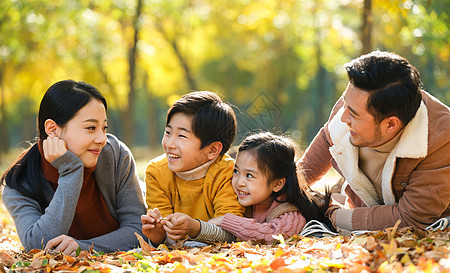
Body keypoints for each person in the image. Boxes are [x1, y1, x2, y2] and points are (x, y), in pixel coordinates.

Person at [298, 50, 450, 232]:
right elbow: (320, 148)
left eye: (353, 114)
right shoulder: (355, 99)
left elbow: (410, 217)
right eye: (345, 103)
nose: (343, 117)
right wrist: (283, 192)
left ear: (391, 124)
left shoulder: (441, 140)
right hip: (361, 217)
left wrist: (332, 214)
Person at [1, 80, 146, 255]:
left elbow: (139, 229)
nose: (102, 138)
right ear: (52, 129)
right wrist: (71, 170)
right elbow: (38, 244)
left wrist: (83, 247)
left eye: (104, 128)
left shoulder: (115, 155)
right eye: (91, 128)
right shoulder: (20, 183)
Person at [142, 91, 245, 247]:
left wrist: (195, 228)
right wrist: (158, 235)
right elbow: (166, 237)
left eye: (182, 136)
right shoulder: (156, 172)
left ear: (212, 150)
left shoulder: (227, 173)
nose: (169, 144)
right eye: (168, 132)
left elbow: (230, 233)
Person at [208, 132, 329, 243]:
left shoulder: (290, 213)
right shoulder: (241, 198)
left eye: (249, 175)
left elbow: (273, 235)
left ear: (277, 184)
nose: (239, 182)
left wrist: (225, 221)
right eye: (236, 171)